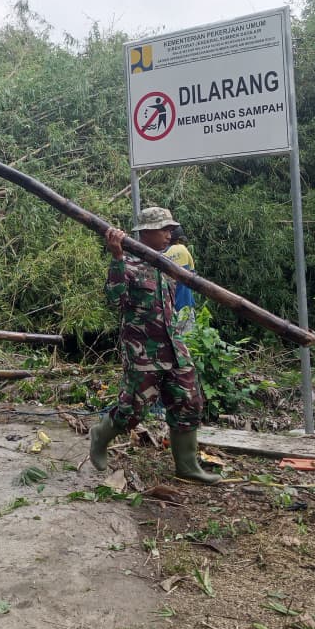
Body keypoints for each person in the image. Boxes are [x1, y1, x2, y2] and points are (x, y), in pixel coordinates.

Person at [90, 207, 220, 484]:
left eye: (170, 228)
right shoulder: (128, 264)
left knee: (188, 402)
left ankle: (187, 466)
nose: (170, 233)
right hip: (143, 352)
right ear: (147, 232)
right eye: (165, 229)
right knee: (133, 409)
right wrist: (116, 258)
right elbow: (114, 301)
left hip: (174, 348)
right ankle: (100, 435)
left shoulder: (167, 265)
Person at [164, 225, 197, 332]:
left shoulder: (160, 254)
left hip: (168, 309)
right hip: (186, 305)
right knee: (188, 343)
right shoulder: (183, 250)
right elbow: (193, 273)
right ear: (178, 239)